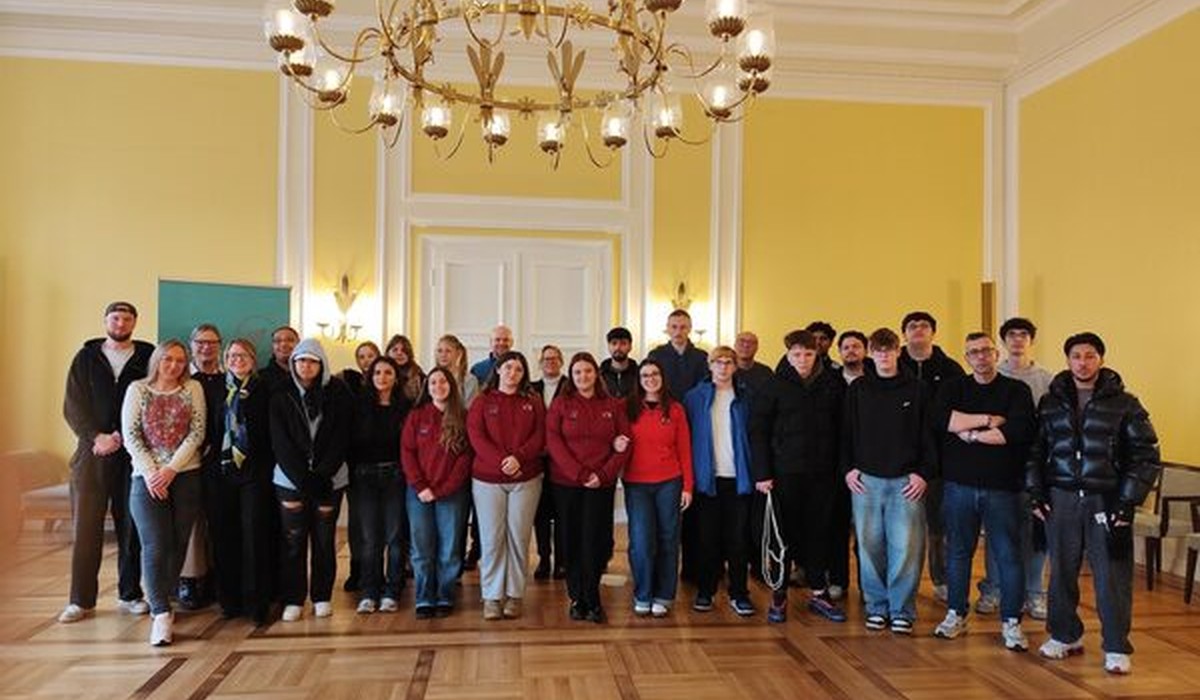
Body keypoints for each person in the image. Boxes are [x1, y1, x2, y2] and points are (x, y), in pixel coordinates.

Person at [1026, 332, 1160, 674]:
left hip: (1106, 499)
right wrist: (1036, 492)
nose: (1082, 362)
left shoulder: (1125, 403)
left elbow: (1146, 456)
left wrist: (1128, 502)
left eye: (1089, 356)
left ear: (1100, 359)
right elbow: (1036, 451)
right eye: (1076, 356)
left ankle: (1116, 646)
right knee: (1061, 573)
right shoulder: (1051, 402)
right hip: (1061, 498)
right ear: (1067, 360)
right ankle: (1064, 635)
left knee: (1111, 575)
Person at [930, 332, 1035, 651]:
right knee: (958, 552)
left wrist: (971, 434)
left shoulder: (1016, 390)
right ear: (966, 358)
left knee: (1008, 556)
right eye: (973, 352)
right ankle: (955, 614)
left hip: (1003, 488)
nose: (980, 357)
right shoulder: (953, 387)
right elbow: (943, 420)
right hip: (959, 486)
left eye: (986, 351)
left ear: (996, 353)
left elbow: (1016, 431)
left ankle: (1011, 622)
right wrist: (988, 421)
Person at [59, 301, 154, 624]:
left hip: (133, 456)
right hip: (92, 455)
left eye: (127, 318)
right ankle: (80, 601)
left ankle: (129, 594)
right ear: (106, 321)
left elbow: (154, 399)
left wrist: (128, 438)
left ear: (134, 323)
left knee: (131, 528)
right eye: (115, 317)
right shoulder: (85, 358)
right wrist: (96, 437)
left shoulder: (146, 356)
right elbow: (73, 405)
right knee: (86, 529)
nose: (121, 322)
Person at [843, 328, 934, 635]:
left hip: (907, 480)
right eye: (877, 350)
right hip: (865, 480)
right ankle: (876, 606)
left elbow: (928, 435)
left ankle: (901, 610)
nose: (883, 355)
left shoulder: (918, 388)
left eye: (889, 349)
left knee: (906, 548)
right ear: (870, 353)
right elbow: (847, 432)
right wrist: (848, 469)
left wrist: (923, 472)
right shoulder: (858, 389)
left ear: (899, 351)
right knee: (869, 547)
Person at [751, 330, 847, 623]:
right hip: (783, 474)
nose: (803, 360)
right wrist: (763, 472)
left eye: (808, 354)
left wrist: (841, 470)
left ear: (816, 353)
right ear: (788, 355)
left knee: (819, 532)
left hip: (823, 474)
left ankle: (819, 593)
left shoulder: (832, 384)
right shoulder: (773, 385)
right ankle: (779, 594)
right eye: (797, 354)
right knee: (783, 535)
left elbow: (844, 430)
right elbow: (758, 432)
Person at [122, 340, 208, 645]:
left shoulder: (192, 389)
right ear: (158, 360)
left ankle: (165, 600)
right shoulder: (137, 389)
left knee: (178, 542)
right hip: (145, 479)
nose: (174, 366)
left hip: (185, 475)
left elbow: (197, 431)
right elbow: (131, 434)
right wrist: (152, 472)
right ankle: (160, 612)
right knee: (155, 544)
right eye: (168, 359)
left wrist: (171, 469)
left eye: (181, 361)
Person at [270, 338, 353, 622]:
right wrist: (302, 478)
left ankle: (321, 596)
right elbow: (279, 441)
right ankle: (293, 598)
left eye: (312, 361)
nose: (306, 366)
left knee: (323, 539)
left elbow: (342, 437)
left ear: (322, 364)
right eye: (301, 360)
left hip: (330, 479)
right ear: (293, 363)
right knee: (293, 541)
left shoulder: (338, 393)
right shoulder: (281, 393)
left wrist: (321, 475)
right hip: (290, 479)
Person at [977, 317, 1055, 620]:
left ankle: (1035, 592)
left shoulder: (1046, 379)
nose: (1018, 340)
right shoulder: (994, 375)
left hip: (1036, 468)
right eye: (1012, 335)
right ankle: (993, 589)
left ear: (1031, 340)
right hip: (999, 467)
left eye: (1023, 335)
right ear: (1003, 342)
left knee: (1036, 533)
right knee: (998, 532)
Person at [547, 352, 631, 623]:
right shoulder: (561, 404)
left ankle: (593, 596)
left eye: (588, 371)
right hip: (567, 483)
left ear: (597, 373)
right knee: (571, 539)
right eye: (578, 372)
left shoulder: (613, 405)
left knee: (596, 541)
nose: (583, 376)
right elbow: (554, 442)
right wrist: (581, 473)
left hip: (601, 485)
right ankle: (577, 597)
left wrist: (603, 474)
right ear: (571, 377)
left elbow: (624, 442)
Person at [467, 351, 547, 621]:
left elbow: (540, 435)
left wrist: (518, 458)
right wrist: (502, 460)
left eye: (519, 369)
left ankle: (514, 595)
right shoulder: (482, 401)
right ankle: (492, 596)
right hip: (488, 480)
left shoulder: (533, 401)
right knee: (491, 540)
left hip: (526, 479)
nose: (513, 373)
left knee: (518, 538)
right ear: (498, 370)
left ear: (524, 374)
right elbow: (476, 436)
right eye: (508, 368)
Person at [683, 346, 756, 617]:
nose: (723, 367)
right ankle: (705, 591)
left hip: (738, 479)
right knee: (707, 540)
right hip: (707, 480)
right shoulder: (693, 398)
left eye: (728, 362)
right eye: (718, 362)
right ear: (709, 365)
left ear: (735, 366)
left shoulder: (747, 396)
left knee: (738, 540)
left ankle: (739, 593)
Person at [899, 311, 964, 604]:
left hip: (939, 459)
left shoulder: (950, 368)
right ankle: (903, 584)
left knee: (939, 525)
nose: (918, 330)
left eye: (924, 326)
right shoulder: (893, 362)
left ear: (933, 333)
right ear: (904, 333)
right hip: (899, 458)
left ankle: (941, 580)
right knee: (903, 529)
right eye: (912, 326)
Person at [209, 339, 275, 624]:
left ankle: (257, 604)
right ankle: (230, 601)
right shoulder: (215, 390)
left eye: (243, 355)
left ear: (253, 358)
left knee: (255, 537)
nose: (238, 359)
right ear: (225, 359)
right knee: (225, 537)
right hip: (221, 473)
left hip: (256, 473)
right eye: (232, 355)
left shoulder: (265, 389)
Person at [402, 367, 473, 618]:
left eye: (443, 381)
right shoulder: (417, 416)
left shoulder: (463, 417)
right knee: (421, 548)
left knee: (450, 548)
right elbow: (408, 454)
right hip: (419, 493)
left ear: (451, 386)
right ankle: (424, 598)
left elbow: (465, 458)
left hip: (452, 493)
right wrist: (421, 487)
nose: (438, 385)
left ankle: (444, 595)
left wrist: (443, 489)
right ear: (427, 387)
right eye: (433, 382)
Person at [624, 358, 692, 617]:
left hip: (670, 482)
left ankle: (664, 594)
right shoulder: (627, 408)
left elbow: (684, 450)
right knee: (641, 540)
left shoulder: (675, 410)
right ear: (638, 381)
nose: (650, 379)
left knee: (668, 538)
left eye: (654, 374)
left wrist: (688, 486)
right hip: (637, 483)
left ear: (662, 378)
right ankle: (643, 593)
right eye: (644, 376)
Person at [350, 356, 412, 614]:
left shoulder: (406, 407)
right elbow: (349, 443)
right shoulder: (359, 406)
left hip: (396, 475)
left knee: (395, 537)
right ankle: (369, 591)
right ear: (370, 376)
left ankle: (392, 590)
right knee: (369, 538)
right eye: (377, 373)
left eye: (388, 373)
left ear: (396, 377)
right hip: (364, 477)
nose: (382, 378)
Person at [178, 323, 224, 611]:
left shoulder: (227, 379)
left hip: (219, 462)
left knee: (218, 521)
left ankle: (217, 579)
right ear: (191, 345)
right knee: (191, 524)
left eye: (212, 343)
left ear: (220, 346)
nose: (206, 347)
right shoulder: (180, 379)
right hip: (186, 462)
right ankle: (190, 582)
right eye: (200, 342)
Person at [436, 334, 481, 569]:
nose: (443, 355)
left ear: (458, 353)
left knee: (459, 511)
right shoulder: (432, 378)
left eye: (447, 351)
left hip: (461, 447)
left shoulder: (469, 380)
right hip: (435, 452)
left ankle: (456, 559)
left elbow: (470, 415)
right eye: (439, 350)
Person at [342, 340, 382, 594]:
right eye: (362, 356)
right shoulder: (349, 383)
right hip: (356, 465)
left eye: (371, 356)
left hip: (386, 466)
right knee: (358, 523)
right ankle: (358, 568)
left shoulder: (388, 383)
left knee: (383, 523)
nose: (367, 361)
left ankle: (381, 571)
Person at [531, 345, 567, 580]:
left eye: (554, 358)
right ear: (540, 363)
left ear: (561, 361)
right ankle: (544, 559)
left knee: (563, 513)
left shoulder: (570, 386)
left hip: (563, 461)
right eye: (546, 359)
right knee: (540, 514)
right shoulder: (532, 388)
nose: (550, 362)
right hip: (537, 460)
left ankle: (562, 562)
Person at [599, 326, 639, 399]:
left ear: (630, 346)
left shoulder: (639, 373)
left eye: (623, 343)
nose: (618, 347)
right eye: (614, 343)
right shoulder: (599, 374)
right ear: (608, 346)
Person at [385, 334, 425, 403]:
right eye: (395, 350)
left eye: (404, 350)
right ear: (388, 353)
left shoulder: (419, 375)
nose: (399, 353)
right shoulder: (380, 373)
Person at [259, 326, 299, 393]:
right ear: (272, 347)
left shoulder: (308, 376)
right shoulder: (260, 379)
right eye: (278, 341)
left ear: (299, 344)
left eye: (290, 340)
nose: (283, 344)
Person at [733, 331, 773, 396]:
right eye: (742, 341)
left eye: (751, 342)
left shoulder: (766, 372)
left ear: (757, 348)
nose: (746, 345)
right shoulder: (725, 371)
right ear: (735, 345)